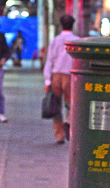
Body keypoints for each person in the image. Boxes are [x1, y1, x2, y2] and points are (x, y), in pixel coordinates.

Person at [43, 14, 79, 143]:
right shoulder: (77, 41)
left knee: (55, 105)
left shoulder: (55, 40)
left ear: (61, 25)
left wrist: (47, 80)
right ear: (72, 25)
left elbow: (49, 60)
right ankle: (68, 121)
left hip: (56, 76)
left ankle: (59, 135)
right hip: (71, 76)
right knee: (71, 104)